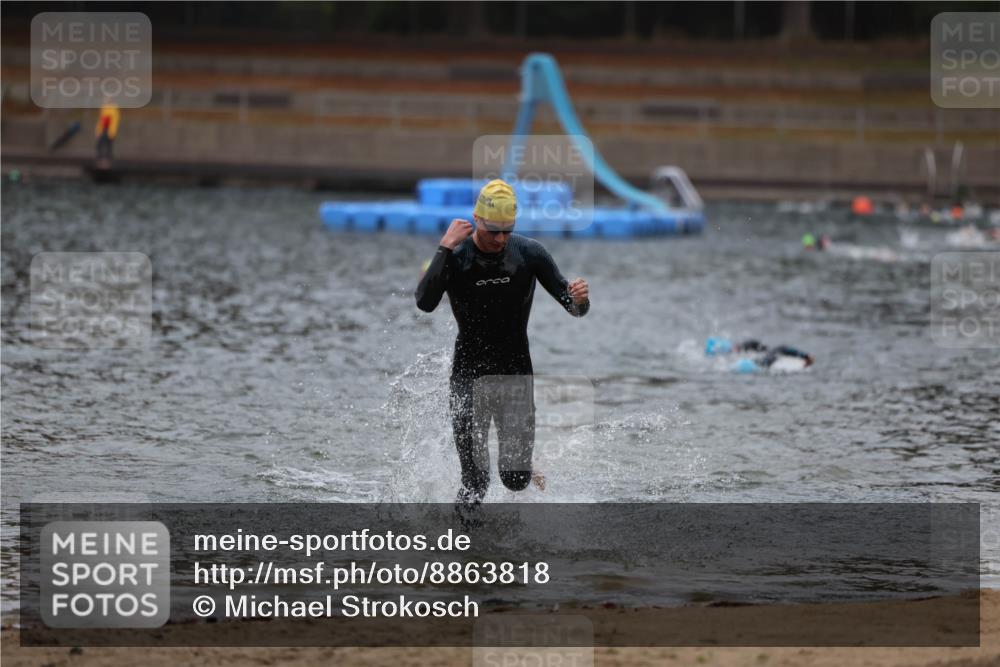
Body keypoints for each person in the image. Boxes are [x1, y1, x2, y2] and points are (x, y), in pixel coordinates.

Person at [415, 179, 590, 514]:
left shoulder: (529, 253)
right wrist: (444, 248)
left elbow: (573, 306)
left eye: (507, 231)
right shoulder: (457, 255)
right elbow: (424, 302)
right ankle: (465, 555)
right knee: (475, 482)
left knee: (514, 479)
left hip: (515, 376)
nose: (500, 239)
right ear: (477, 219)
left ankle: (526, 469)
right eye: (493, 230)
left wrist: (581, 300)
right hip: (468, 377)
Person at [705, 337, 814, 372]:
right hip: (751, 366)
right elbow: (784, 348)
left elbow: (754, 344)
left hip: (746, 364)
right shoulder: (774, 352)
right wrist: (805, 356)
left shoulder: (768, 351)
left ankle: (727, 348)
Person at [95, 99, 120, 163]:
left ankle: (109, 160)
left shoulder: (114, 109)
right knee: (99, 144)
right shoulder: (104, 108)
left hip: (109, 130)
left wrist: (112, 131)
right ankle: (100, 159)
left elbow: (115, 122)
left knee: (109, 145)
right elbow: (100, 120)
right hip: (103, 129)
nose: (105, 100)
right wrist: (98, 130)